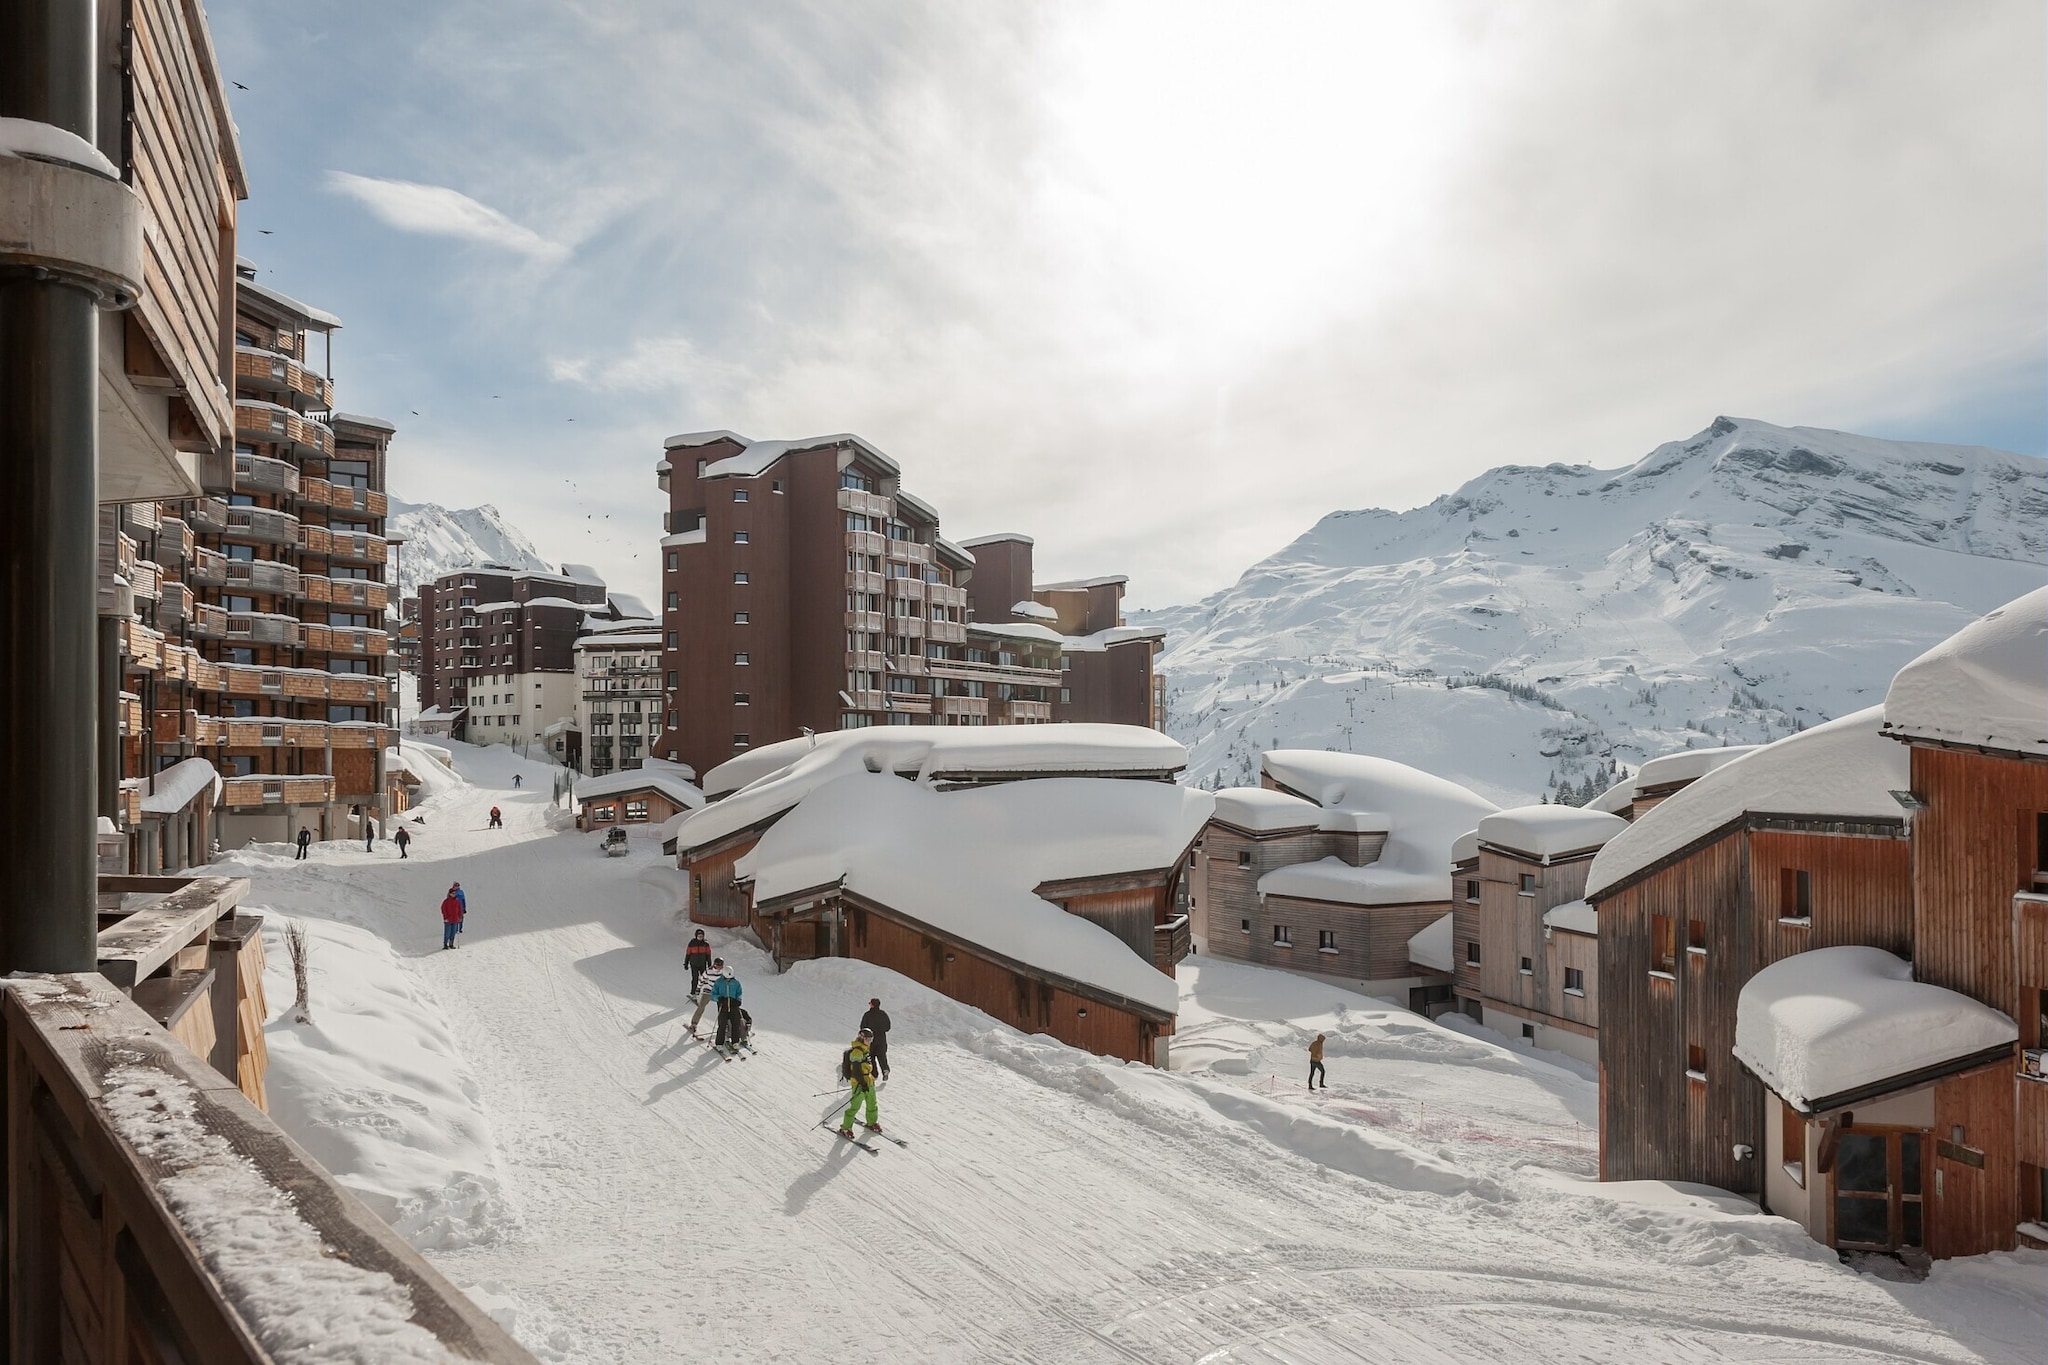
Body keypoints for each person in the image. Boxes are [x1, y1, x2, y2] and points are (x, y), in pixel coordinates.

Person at [837, 1028, 882, 1137]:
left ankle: (872, 1122)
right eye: (868, 1039)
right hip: (859, 1083)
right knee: (855, 1106)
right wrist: (862, 1083)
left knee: (872, 1103)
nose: (870, 1041)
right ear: (862, 1038)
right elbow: (856, 1070)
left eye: (871, 1039)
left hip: (868, 1081)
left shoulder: (865, 1048)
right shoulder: (857, 1052)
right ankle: (845, 1127)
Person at [688, 957, 724, 1038]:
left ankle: (724, 1026)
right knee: (701, 1007)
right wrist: (698, 989)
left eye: (721, 965)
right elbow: (701, 980)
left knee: (722, 1009)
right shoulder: (709, 971)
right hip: (708, 991)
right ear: (715, 964)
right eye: (718, 965)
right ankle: (694, 1023)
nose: (720, 967)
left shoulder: (723, 972)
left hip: (718, 993)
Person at [860, 997, 892, 1080]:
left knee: (871, 1057)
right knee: (882, 1056)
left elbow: (862, 1027)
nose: (869, 1004)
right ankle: (885, 1069)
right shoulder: (883, 1014)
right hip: (881, 1039)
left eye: (870, 1003)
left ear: (872, 1005)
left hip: (870, 1040)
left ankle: (874, 1074)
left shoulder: (867, 1015)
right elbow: (888, 1027)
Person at [711, 966, 743, 1051]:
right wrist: (719, 998)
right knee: (722, 1024)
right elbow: (713, 995)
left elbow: (739, 993)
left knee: (736, 1023)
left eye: (730, 978)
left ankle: (735, 1041)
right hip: (723, 1005)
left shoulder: (736, 983)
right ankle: (719, 1043)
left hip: (733, 1005)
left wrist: (738, 1000)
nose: (728, 980)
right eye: (726, 978)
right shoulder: (718, 982)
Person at [685, 930, 713, 996]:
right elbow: (688, 954)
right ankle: (693, 992)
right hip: (694, 964)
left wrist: (709, 965)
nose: (700, 938)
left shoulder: (705, 945)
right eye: (699, 936)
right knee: (695, 978)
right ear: (696, 936)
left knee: (705, 978)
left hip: (702, 964)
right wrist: (686, 963)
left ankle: (706, 992)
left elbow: (708, 955)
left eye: (701, 936)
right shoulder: (692, 944)